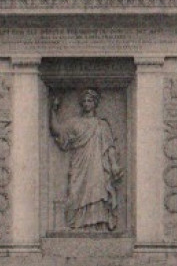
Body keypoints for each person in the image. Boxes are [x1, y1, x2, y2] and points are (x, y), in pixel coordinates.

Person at [49, 88, 123, 230]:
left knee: (97, 192)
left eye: (90, 100)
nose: (86, 103)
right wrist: (53, 109)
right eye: (84, 101)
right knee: (76, 193)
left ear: (95, 103)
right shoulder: (75, 123)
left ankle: (97, 225)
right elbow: (56, 130)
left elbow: (109, 147)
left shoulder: (102, 125)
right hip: (79, 164)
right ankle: (78, 225)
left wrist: (114, 164)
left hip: (97, 165)